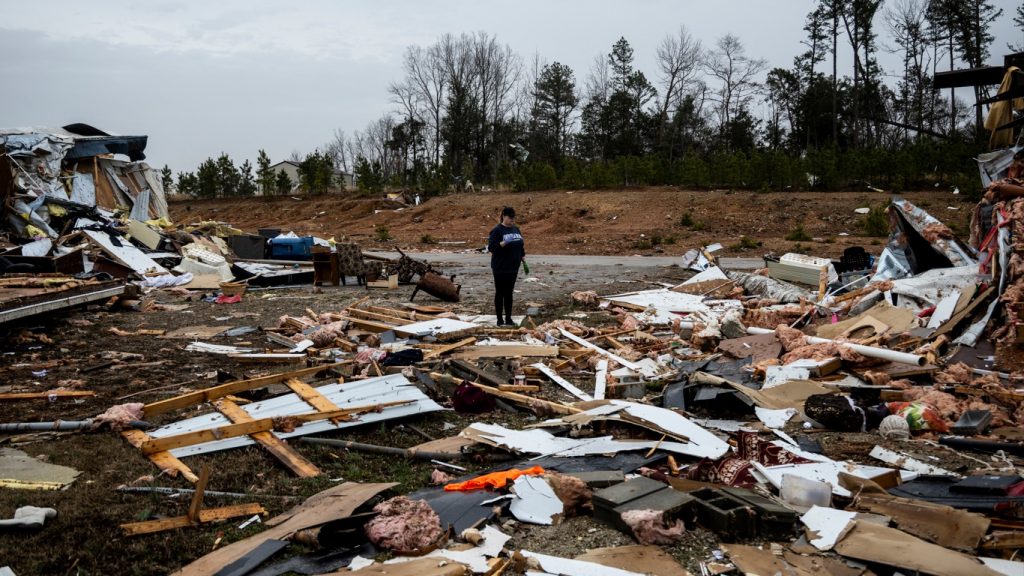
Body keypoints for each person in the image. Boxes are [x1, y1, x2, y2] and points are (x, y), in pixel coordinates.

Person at [488, 206, 525, 326]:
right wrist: (504, 242)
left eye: (514, 218)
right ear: (504, 216)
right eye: (510, 218)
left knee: (509, 293)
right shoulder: (497, 230)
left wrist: (523, 258)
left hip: (513, 267)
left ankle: (508, 318)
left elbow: (520, 245)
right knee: (500, 292)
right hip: (500, 267)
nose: (512, 220)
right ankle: (499, 319)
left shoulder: (516, 229)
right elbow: (492, 248)